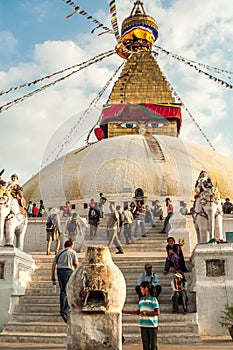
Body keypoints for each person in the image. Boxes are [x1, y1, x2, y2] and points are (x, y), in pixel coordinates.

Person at [123, 281, 160, 350]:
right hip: (143, 325)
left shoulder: (153, 299)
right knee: (145, 345)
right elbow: (138, 311)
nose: (140, 291)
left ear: (146, 289)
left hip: (152, 325)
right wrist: (126, 312)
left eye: (141, 289)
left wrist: (147, 313)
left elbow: (157, 312)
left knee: (153, 345)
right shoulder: (142, 300)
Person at [51, 240, 79, 323]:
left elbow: (53, 264)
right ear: (71, 245)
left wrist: (52, 275)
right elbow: (76, 264)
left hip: (59, 271)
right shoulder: (72, 252)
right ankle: (65, 310)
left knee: (62, 291)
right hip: (68, 272)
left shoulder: (59, 252)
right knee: (69, 291)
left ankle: (62, 309)